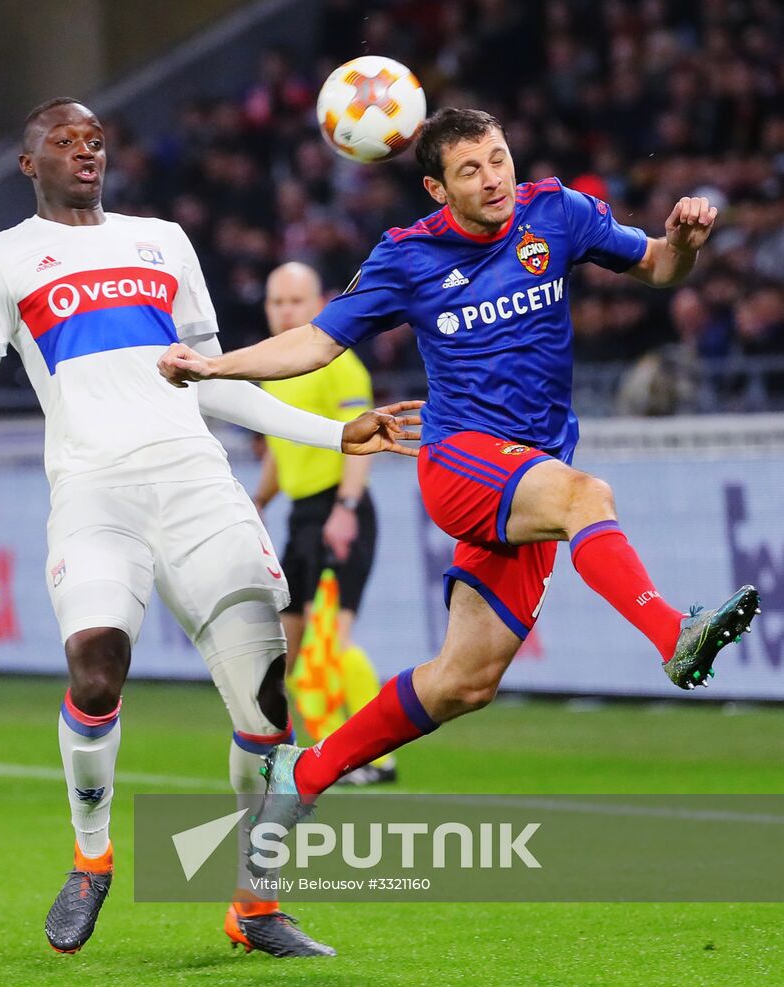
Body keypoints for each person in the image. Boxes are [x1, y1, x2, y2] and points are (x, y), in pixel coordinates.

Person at [156, 108, 760, 841]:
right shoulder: (406, 256)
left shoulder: (557, 213)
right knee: (586, 497)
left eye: (497, 158)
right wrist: (214, 366)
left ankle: (303, 774)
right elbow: (315, 344)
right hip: (460, 460)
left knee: (463, 682)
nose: (492, 177)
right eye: (469, 170)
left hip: (531, 475)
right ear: (438, 190)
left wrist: (684, 244)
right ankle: (673, 635)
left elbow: (660, 267)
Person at [0, 98, 420, 959]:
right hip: (93, 496)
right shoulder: (2, 262)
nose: (84, 152)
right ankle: (91, 861)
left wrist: (332, 429)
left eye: (95, 140)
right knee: (95, 670)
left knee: (268, 712)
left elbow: (212, 379)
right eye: (62, 141)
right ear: (28, 164)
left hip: (198, 486)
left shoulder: (163, 240)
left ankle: (255, 904)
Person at [254, 261, 395, 785]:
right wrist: (259, 499)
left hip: (339, 510)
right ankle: (325, 754)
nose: (285, 310)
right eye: (276, 302)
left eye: (295, 301)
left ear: (319, 304)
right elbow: (278, 445)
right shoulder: (273, 370)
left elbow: (363, 441)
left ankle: (369, 757)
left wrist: (347, 508)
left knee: (326, 647)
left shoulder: (339, 364)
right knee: (288, 654)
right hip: (301, 518)